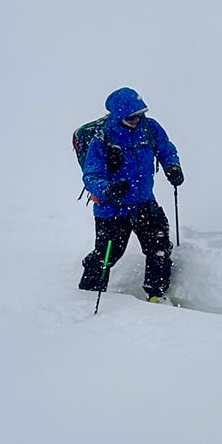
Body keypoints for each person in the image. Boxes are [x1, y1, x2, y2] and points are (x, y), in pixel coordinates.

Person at [79, 87, 184, 302]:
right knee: (107, 254)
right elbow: (91, 175)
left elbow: (166, 149)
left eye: (140, 114)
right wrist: (108, 189)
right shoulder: (102, 139)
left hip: (144, 202)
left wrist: (172, 166)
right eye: (131, 117)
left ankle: (156, 294)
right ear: (119, 116)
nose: (137, 119)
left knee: (159, 247)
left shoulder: (150, 128)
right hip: (112, 209)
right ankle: (87, 295)